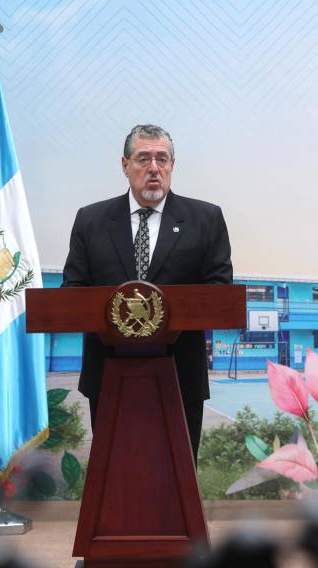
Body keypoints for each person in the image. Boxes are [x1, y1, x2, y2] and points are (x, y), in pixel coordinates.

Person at [62, 124, 232, 457]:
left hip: (180, 376)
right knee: (117, 479)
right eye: (143, 158)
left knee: (176, 485)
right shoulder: (91, 220)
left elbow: (219, 292)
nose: (153, 168)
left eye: (162, 158)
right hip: (110, 375)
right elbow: (73, 291)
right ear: (125, 165)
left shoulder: (206, 219)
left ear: (172, 164)